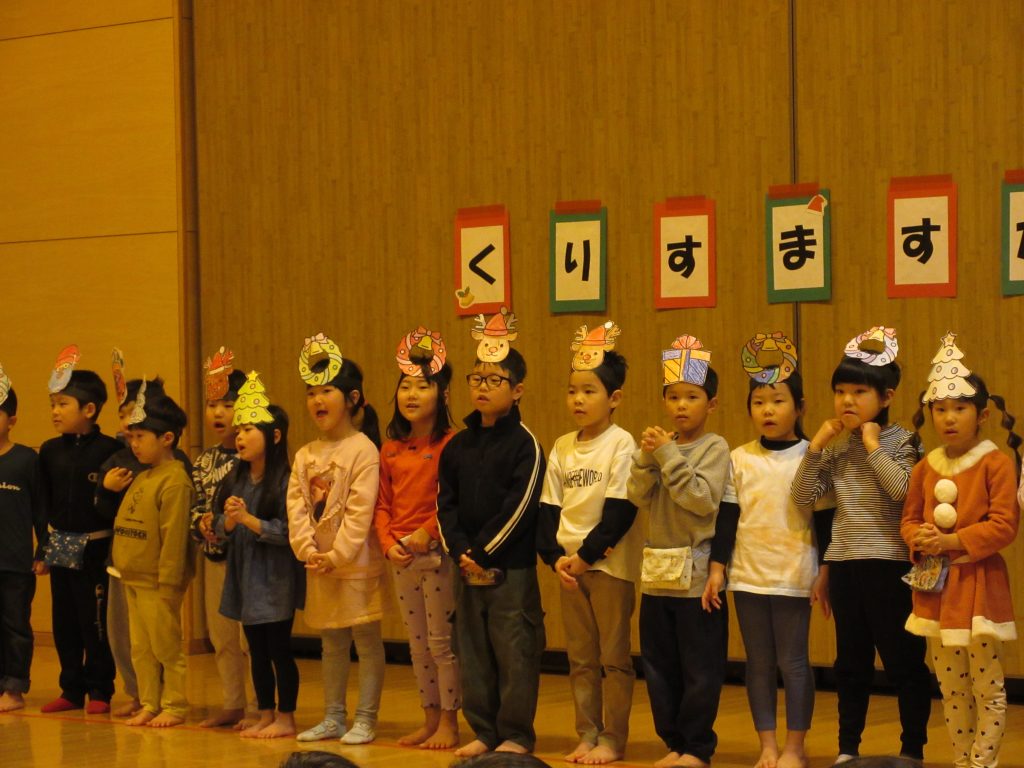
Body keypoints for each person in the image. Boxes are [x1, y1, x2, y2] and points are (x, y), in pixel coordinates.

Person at [792, 327, 932, 764]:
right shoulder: (835, 449)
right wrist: (816, 446)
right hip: (847, 566)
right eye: (839, 392)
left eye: (858, 392)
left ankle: (912, 749)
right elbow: (802, 497)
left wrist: (873, 446)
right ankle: (847, 749)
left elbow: (905, 493)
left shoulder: (904, 441)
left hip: (891, 566)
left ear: (886, 397)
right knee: (850, 663)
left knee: (903, 659)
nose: (846, 401)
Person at [702, 334, 829, 768]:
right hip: (748, 575)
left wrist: (825, 570)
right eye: (759, 402)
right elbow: (727, 518)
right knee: (758, 663)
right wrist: (717, 568)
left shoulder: (812, 457)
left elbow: (825, 522)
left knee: (794, 662)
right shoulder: (740, 458)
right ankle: (768, 747)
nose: (768, 410)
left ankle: (795, 747)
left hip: (794, 574)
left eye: (777, 401)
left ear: (800, 407)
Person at [902, 333, 1021, 768]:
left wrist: (952, 541)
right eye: (940, 409)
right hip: (938, 591)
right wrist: (919, 538)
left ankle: (982, 763)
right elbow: (908, 520)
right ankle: (960, 760)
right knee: (951, 688)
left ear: (982, 414)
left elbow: (1004, 525)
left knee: (987, 687)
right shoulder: (924, 467)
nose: (949, 418)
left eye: (960, 408)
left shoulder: (996, 463)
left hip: (980, 587)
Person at [437, 309, 546, 757]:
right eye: (476, 378)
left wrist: (482, 551)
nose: (483, 386)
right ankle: (483, 730)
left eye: (494, 380)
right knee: (473, 651)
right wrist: (460, 550)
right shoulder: (458, 445)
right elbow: (444, 503)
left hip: (509, 569)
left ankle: (516, 734)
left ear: (517, 390)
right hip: (466, 568)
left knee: (514, 650)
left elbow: (519, 508)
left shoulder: (526, 445)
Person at [536, 323, 641, 765]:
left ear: (614, 398)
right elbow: (549, 510)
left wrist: (585, 556)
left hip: (608, 568)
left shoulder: (622, 444)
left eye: (589, 391)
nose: (578, 399)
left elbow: (620, 511)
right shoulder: (562, 446)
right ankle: (587, 732)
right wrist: (557, 560)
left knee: (613, 659)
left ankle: (612, 739)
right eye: (572, 391)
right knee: (580, 658)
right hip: (570, 570)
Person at [627, 335, 731, 768]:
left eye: (691, 397)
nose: (681, 406)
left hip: (697, 579)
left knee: (700, 668)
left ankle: (697, 747)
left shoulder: (714, 447)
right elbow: (636, 495)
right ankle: (673, 742)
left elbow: (702, 501)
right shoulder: (661, 446)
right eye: (673, 397)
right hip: (657, 575)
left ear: (711, 403)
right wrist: (646, 457)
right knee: (658, 666)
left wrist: (667, 454)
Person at [288, 334, 385, 745]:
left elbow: (361, 512)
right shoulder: (305, 454)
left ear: (352, 398)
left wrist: (338, 554)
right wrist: (308, 550)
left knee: (366, 639)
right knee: (331, 642)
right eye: (311, 393)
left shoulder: (363, 450)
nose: (317, 400)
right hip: (319, 565)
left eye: (326, 391)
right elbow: (296, 506)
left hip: (355, 565)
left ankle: (365, 718)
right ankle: (333, 717)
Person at [374, 327, 460, 748]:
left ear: (442, 394)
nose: (411, 394)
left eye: (423, 386)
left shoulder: (452, 444)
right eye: (405, 386)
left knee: (442, 645)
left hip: (436, 555)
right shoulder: (390, 448)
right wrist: (388, 543)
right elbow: (382, 504)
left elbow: (453, 502)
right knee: (418, 645)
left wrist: (427, 532)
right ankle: (428, 717)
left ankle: (450, 721)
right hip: (401, 558)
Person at [95, 375, 191, 718]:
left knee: (166, 648)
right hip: (131, 577)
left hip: (156, 582)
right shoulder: (143, 475)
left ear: (166, 438)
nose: (133, 444)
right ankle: (150, 702)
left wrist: (169, 582)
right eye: (131, 437)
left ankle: (174, 704)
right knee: (140, 648)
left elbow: (174, 538)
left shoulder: (175, 481)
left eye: (140, 437)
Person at [215, 375, 304, 739]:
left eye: (249, 429)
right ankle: (265, 713)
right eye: (238, 430)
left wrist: (249, 520)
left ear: (274, 436)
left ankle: (287, 717)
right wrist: (227, 521)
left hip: (275, 580)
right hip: (244, 580)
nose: (239, 436)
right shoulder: (235, 478)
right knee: (255, 650)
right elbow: (220, 525)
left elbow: (289, 532)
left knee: (279, 650)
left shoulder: (286, 480)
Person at [39, 353, 122, 714]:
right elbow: (44, 503)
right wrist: (43, 549)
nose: (55, 412)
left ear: (89, 409)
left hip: (96, 549)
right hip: (60, 545)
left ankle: (100, 689)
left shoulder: (111, 451)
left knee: (95, 621)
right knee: (65, 621)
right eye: (52, 405)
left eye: (63, 404)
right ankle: (70, 688)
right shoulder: (49, 451)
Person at [191, 349, 253, 728]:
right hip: (215, 559)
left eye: (228, 405)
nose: (218, 413)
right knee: (223, 636)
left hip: (250, 562)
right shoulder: (203, 461)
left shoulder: (256, 457)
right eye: (213, 404)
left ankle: (263, 705)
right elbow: (196, 505)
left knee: (251, 638)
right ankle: (233, 702)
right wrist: (201, 523)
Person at [0, 372, 47, 712]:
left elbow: (41, 511)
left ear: (12, 420)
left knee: (15, 625)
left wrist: (43, 550)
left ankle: (15, 687)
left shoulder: (26, 460)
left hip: (16, 563)